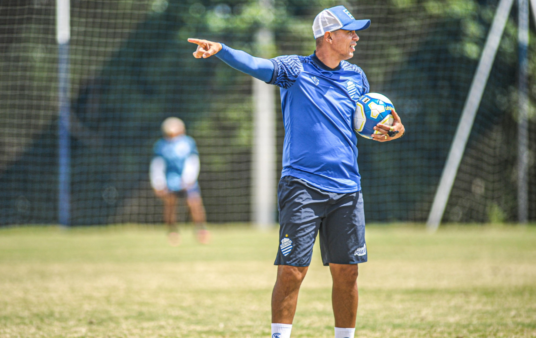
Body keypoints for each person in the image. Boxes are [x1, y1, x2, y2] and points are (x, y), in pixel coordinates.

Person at [188, 5, 405, 338]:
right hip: (302, 186)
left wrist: (391, 126)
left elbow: (368, 119)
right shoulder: (295, 69)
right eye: (350, 31)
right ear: (328, 36)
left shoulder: (356, 76)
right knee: (292, 271)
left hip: (348, 189)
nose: (356, 37)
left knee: (347, 273)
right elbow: (258, 65)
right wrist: (222, 50)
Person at [149, 117, 209, 246]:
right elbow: (157, 165)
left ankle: (201, 230)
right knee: (170, 206)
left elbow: (193, 161)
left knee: (194, 204)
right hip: (170, 181)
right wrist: (158, 183)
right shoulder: (161, 145)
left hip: (187, 181)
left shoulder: (188, 143)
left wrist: (188, 179)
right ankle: (172, 232)